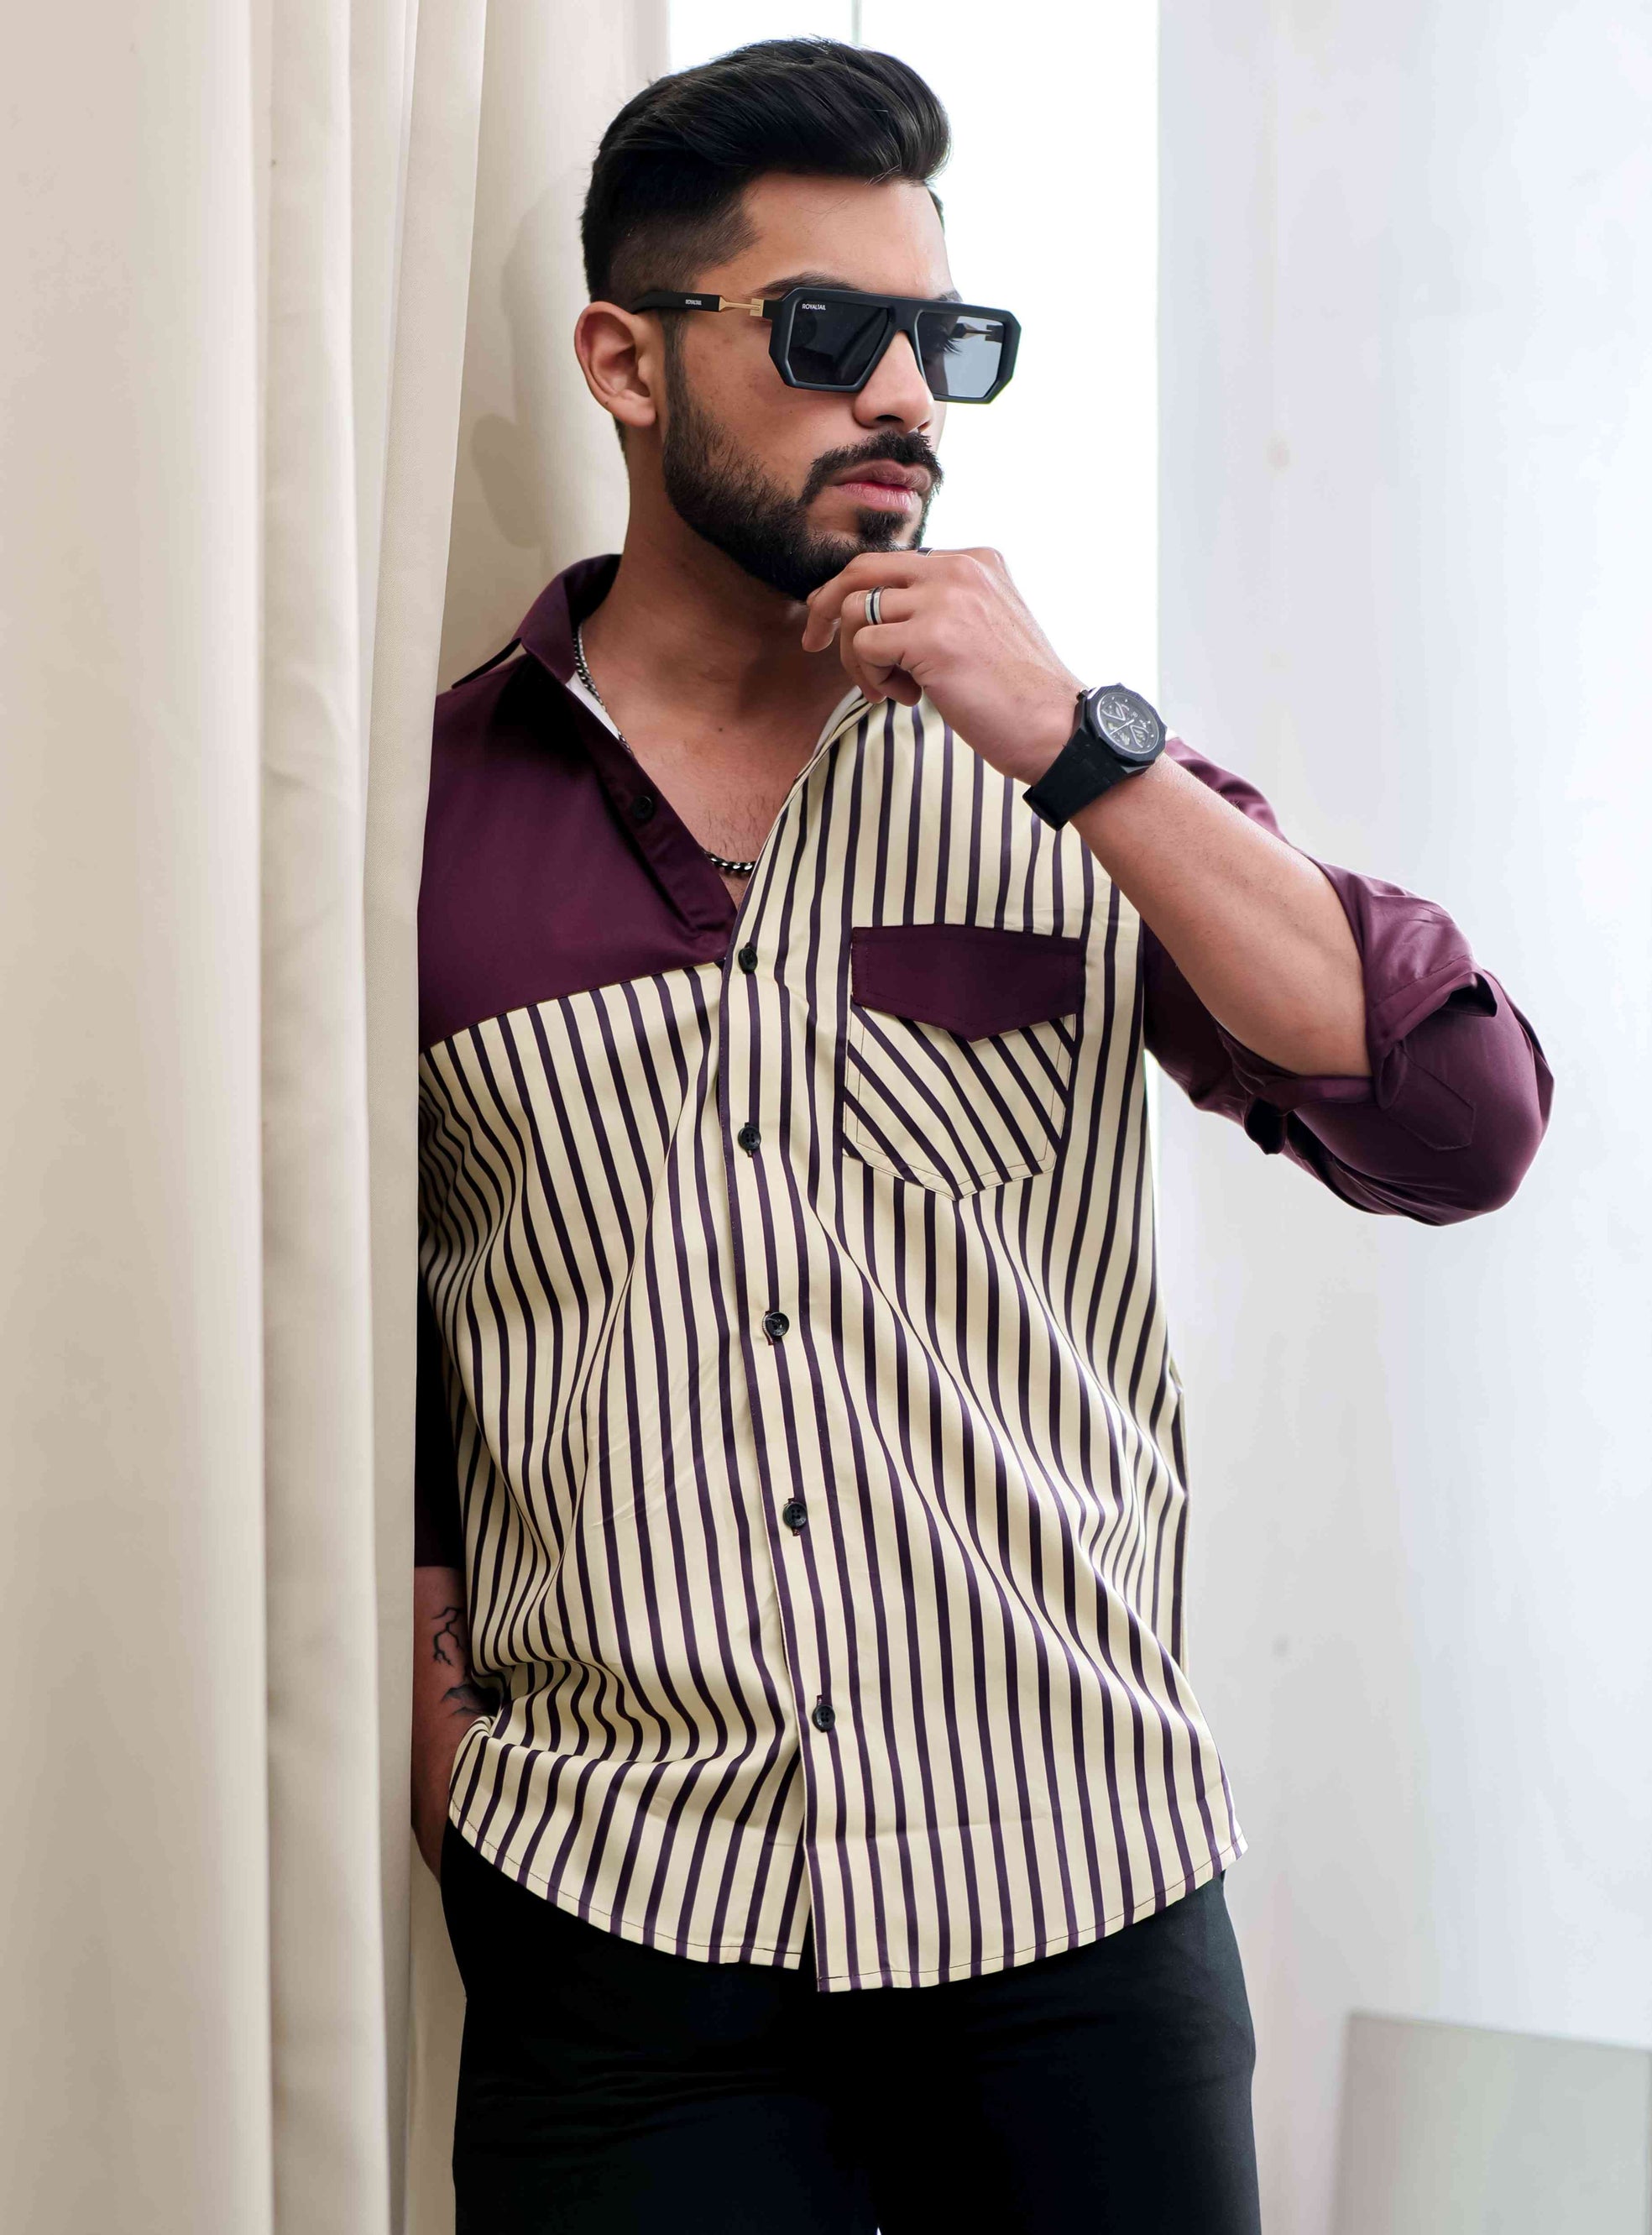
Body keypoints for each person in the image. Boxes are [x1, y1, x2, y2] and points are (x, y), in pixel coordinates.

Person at [410, 38, 1550, 2234]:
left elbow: (1460, 1121)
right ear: (626, 363)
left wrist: (1082, 749)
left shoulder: (1070, 785)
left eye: (944, 342)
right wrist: (422, 1681)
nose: (902, 399)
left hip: (1074, 1916)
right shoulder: (428, 818)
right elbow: (370, 1313)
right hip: (620, 1931)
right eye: (823, 334)